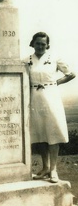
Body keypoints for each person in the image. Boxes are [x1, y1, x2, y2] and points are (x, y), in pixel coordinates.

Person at [23, 32, 76, 183]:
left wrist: (56, 83)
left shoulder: (54, 59)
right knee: (40, 134)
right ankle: (45, 167)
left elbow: (71, 74)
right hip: (33, 98)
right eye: (38, 43)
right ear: (32, 43)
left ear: (47, 45)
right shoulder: (26, 61)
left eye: (43, 44)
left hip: (51, 97)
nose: (40, 46)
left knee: (53, 131)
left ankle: (53, 169)